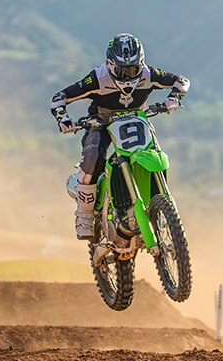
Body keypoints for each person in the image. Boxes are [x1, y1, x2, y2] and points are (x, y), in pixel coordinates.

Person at [50, 33, 189, 239]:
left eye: (132, 70)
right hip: (101, 123)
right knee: (94, 158)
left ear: (141, 64)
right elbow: (59, 98)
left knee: (154, 153)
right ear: (109, 65)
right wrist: (63, 120)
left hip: (137, 121)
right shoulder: (97, 78)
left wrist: (174, 98)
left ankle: (157, 207)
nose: (127, 76)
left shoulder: (149, 74)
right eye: (121, 71)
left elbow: (181, 81)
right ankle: (84, 216)